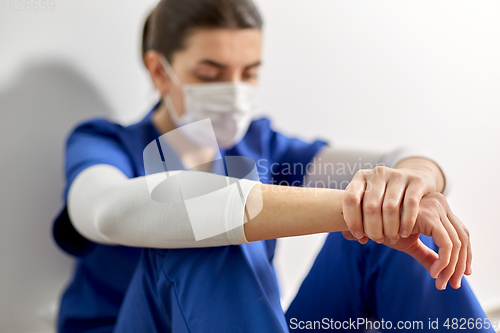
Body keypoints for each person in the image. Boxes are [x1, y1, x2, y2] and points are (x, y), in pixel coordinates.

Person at [52, 0, 493, 332]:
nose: (234, 89)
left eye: (249, 73)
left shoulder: (262, 145)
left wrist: (409, 187)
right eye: (211, 72)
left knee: (384, 233)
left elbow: (392, 160)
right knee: (203, 228)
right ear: (159, 71)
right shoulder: (106, 142)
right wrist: (354, 207)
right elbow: (105, 213)